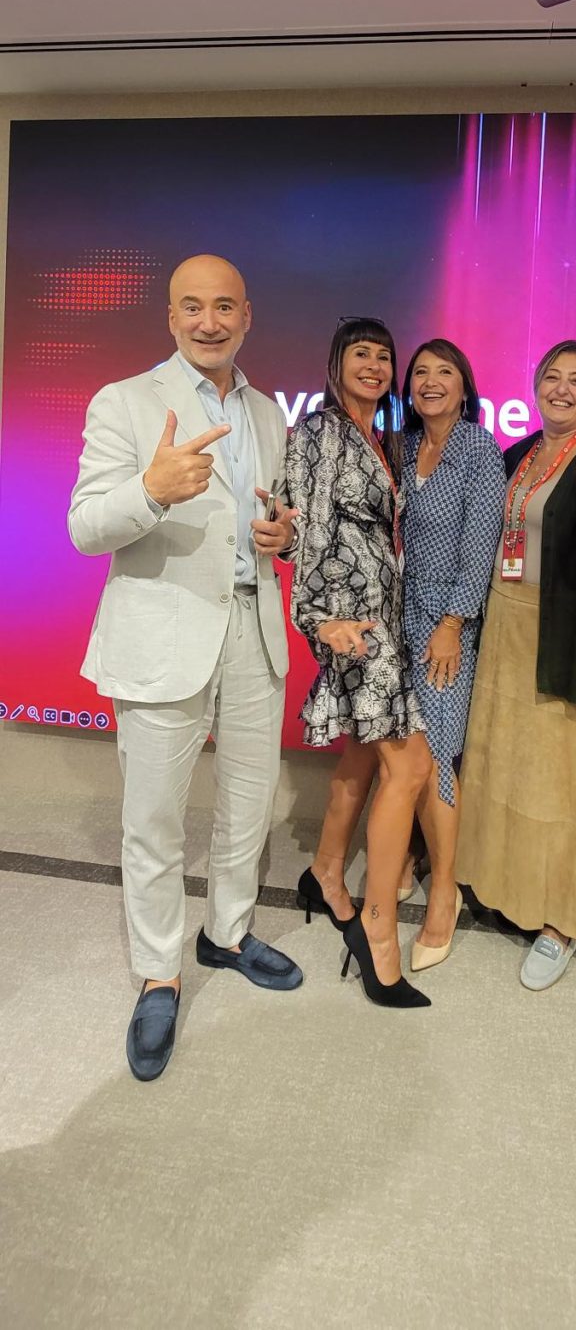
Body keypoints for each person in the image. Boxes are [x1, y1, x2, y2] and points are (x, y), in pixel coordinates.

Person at [68, 254, 303, 1082]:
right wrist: (153, 489)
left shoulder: (267, 412)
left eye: (225, 306)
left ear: (247, 315)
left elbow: (265, 517)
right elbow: (85, 526)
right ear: (170, 316)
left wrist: (282, 535)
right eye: (193, 306)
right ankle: (159, 972)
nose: (210, 321)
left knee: (249, 802)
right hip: (163, 633)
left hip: (253, 626)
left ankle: (227, 933)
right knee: (154, 818)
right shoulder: (125, 401)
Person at [456, 339, 576, 991]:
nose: (562, 389)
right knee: (513, 770)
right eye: (552, 377)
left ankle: (562, 920)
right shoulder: (518, 454)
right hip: (507, 629)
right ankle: (509, 888)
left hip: (573, 634)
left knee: (568, 783)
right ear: (536, 386)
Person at [286, 318, 434, 1010]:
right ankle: (378, 931)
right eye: (360, 354)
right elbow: (308, 528)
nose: (374, 365)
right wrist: (317, 619)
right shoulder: (319, 431)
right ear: (336, 362)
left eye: (383, 356)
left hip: (382, 617)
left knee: (365, 755)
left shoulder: (380, 438)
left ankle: (324, 872)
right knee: (410, 766)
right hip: (350, 625)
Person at [399, 339, 505, 972]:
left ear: (465, 387)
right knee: (404, 746)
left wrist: (452, 623)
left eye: (445, 372)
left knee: (437, 751)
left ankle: (445, 891)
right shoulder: (404, 447)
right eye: (421, 372)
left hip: (448, 623)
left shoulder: (478, 449)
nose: (431, 381)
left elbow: (480, 546)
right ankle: (413, 855)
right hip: (398, 617)